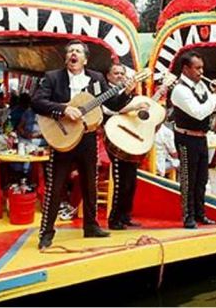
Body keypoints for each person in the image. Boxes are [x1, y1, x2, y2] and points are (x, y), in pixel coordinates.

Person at [31, 40, 112, 250]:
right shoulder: (52, 78)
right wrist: (63, 109)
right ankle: (46, 233)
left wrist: (127, 92)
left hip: (87, 137)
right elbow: (37, 102)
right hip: (62, 138)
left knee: (90, 184)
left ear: (85, 59)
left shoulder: (96, 78)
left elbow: (111, 103)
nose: (72, 54)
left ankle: (91, 226)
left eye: (77, 51)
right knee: (55, 187)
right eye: (69, 51)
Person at [170, 51, 216, 228]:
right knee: (189, 179)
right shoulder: (179, 90)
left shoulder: (201, 85)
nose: (201, 72)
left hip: (202, 137)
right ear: (186, 69)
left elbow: (209, 108)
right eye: (197, 68)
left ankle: (200, 213)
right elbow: (198, 112)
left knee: (202, 179)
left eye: (202, 68)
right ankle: (188, 217)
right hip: (186, 137)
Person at [102, 63, 141, 230]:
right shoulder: (105, 91)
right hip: (114, 139)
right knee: (120, 181)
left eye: (121, 73)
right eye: (115, 73)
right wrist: (131, 106)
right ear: (108, 76)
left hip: (129, 138)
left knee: (131, 180)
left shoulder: (128, 92)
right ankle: (114, 218)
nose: (119, 76)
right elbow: (110, 109)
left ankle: (125, 216)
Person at [154, 109, 179, 177]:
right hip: (158, 166)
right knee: (182, 163)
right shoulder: (166, 132)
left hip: (143, 165)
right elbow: (174, 154)